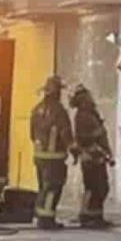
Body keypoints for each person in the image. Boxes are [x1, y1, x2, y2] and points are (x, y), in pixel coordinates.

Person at [69, 84, 115, 229]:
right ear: (82, 99)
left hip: (97, 155)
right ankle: (88, 217)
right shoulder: (83, 116)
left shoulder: (90, 114)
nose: (90, 98)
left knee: (100, 187)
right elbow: (84, 137)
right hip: (90, 156)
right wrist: (95, 147)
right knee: (94, 186)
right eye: (86, 96)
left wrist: (106, 152)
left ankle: (96, 216)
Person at [30, 75, 72, 230]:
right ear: (57, 92)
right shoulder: (59, 111)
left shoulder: (36, 109)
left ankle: (41, 216)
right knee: (53, 187)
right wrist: (73, 148)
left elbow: (32, 135)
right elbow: (65, 133)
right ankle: (47, 219)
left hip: (39, 156)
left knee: (44, 187)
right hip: (55, 158)